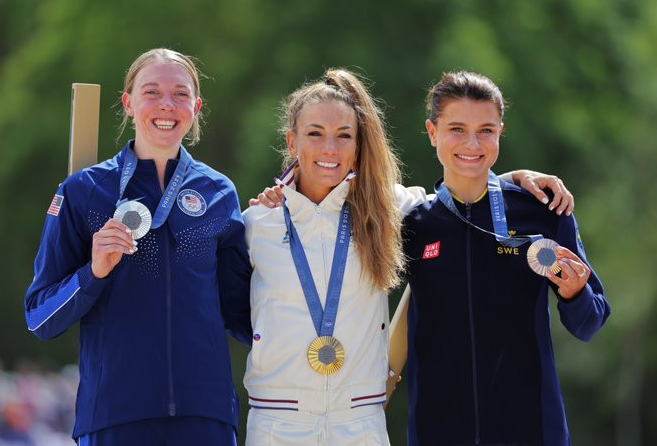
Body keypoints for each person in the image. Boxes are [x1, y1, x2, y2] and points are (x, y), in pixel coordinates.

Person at [242, 68, 575, 445]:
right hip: (277, 419)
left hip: (360, 418)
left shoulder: (391, 209)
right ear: (292, 141)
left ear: (359, 144)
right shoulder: (256, 224)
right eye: (315, 134)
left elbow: (463, 195)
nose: (330, 149)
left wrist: (510, 179)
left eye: (344, 136)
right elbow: (239, 312)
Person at [25, 48, 251, 445]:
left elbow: (244, 313)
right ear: (129, 103)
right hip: (115, 417)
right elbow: (40, 318)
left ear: (196, 107)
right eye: (152, 92)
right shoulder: (84, 191)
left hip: (207, 416)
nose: (167, 105)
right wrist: (92, 273)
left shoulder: (219, 192)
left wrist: (284, 223)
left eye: (180, 94)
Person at [400, 71, 611, 445]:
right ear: (432, 132)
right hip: (437, 430)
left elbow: (590, 323)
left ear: (500, 131)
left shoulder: (544, 211)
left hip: (531, 429)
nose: (472, 143)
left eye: (486, 130)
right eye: (457, 129)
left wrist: (576, 294)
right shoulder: (412, 224)